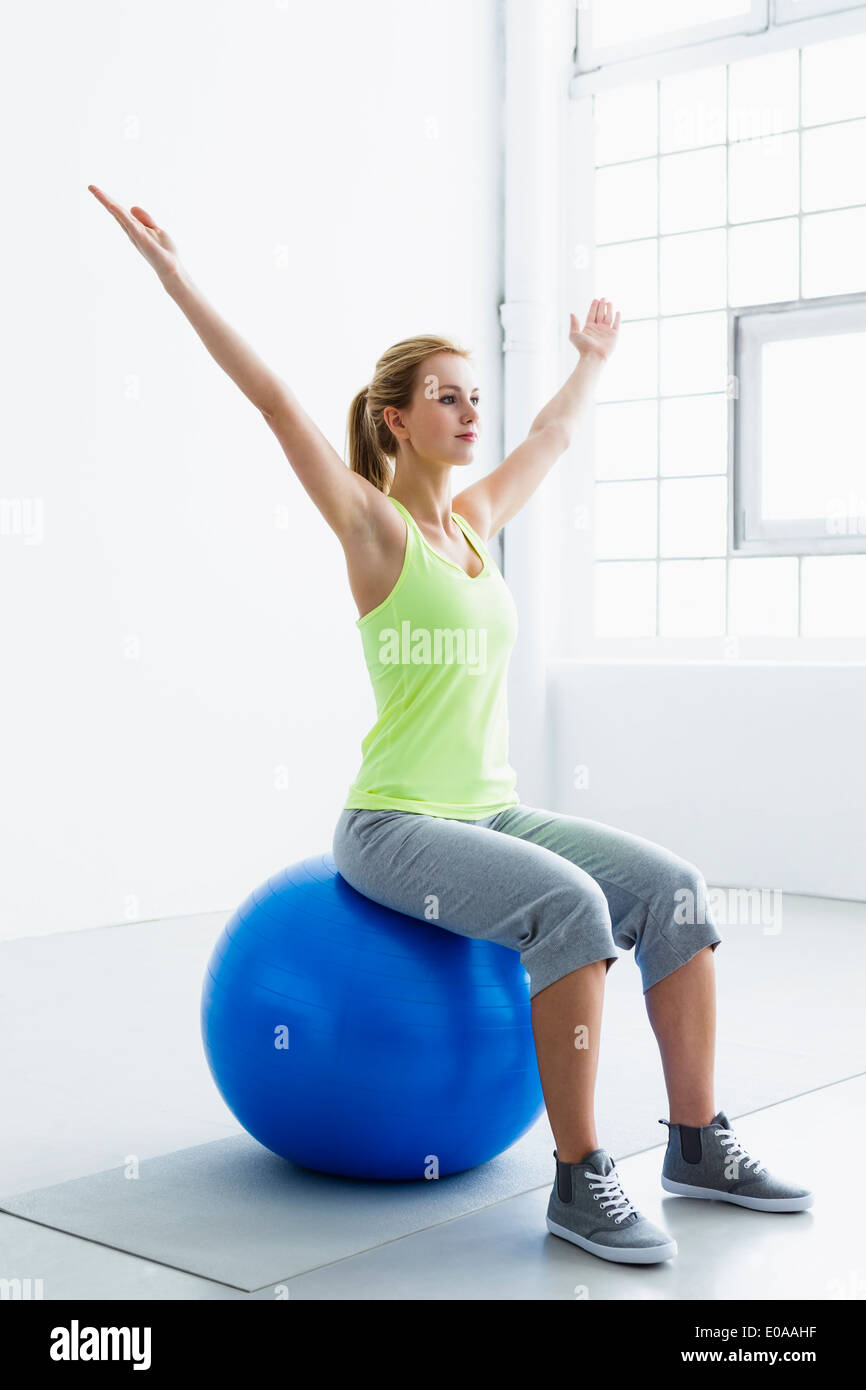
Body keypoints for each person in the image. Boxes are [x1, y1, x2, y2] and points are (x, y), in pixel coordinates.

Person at [88, 185, 814, 1266]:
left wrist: (592, 357)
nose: (471, 414)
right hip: (393, 825)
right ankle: (576, 1183)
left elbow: (554, 436)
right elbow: (278, 401)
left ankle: (696, 1144)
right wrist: (173, 273)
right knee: (569, 908)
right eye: (447, 398)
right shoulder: (373, 529)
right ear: (396, 417)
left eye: (476, 398)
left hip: (491, 809)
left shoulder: (473, 524)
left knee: (673, 890)